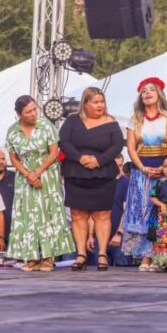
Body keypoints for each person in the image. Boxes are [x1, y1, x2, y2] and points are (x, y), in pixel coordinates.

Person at [122, 77, 167, 271]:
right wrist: (142, 168)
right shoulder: (135, 119)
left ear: (159, 94)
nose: (147, 93)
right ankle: (145, 256)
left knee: (161, 213)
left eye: (151, 89)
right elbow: (131, 148)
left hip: (164, 171)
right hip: (141, 170)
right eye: (144, 91)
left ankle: (159, 256)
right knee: (142, 213)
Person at [58, 87, 124, 271]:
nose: (100, 105)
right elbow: (63, 142)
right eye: (95, 102)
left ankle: (102, 254)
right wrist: (80, 158)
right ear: (85, 103)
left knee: (102, 214)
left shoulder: (111, 122)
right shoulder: (72, 120)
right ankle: (81, 254)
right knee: (78, 214)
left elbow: (117, 145)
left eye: (102, 102)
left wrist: (99, 160)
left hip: (103, 173)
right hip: (76, 172)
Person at [4, 95, 73, 271]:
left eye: (35, 109)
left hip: (47, 173)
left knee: (47, 213)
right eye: (28, 111)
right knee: (27, 215)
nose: (33, 113)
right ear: (19, 114)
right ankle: (31, 257)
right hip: (24, 176)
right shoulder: (12, 131)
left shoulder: (46, 126)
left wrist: (37, 173)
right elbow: (13, 158)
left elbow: (53, 153)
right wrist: (28, 174)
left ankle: (48, 258)